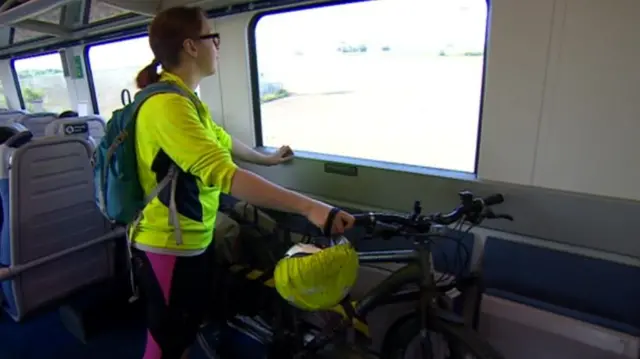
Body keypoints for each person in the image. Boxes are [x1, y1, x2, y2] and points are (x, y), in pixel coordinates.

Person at [131, 6, 355, 359]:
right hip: (168, 246)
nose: (218, 46)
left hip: (191, 240)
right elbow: (224, 174)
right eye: (212, 37)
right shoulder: (167, 107)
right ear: (191, 46)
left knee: (182, 331)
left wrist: (268, 159)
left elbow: (222, 141)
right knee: (165, 342)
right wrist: (310, 206)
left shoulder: (185, 101)